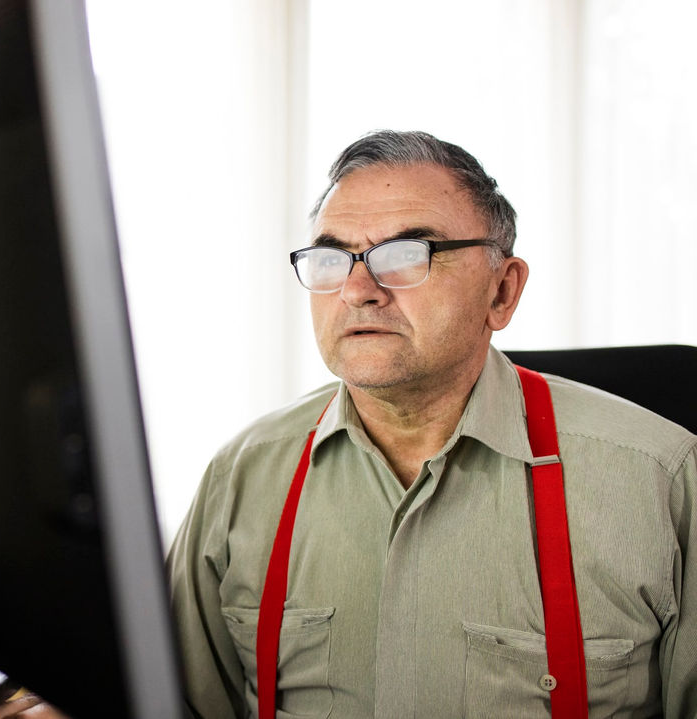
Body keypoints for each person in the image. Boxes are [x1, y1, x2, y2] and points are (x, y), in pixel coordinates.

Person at [167, 129, 697, 718]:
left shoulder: (661, 479)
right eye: (331, 258)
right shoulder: (241, 475)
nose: (358, 290)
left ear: (502, 291)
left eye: (406, 256)